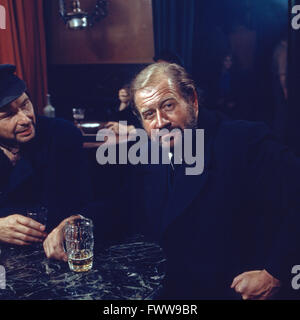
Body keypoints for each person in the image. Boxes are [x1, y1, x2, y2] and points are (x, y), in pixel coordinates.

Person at [48, 62, 300, 300]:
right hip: (173, 291)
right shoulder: (148, 152)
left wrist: (276, 273)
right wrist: (77, 222)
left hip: (234, 291)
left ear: (192, 100)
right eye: (149, 114)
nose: (160, 122)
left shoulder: (244, 140)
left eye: (168, 106)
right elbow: (124, 206)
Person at [0, 64, 91, 261]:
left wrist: (73, 221)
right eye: (8, 115)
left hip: (61, 255)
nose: (25, 119)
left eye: (25, 105)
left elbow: (91, 202)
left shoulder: (62, 135)